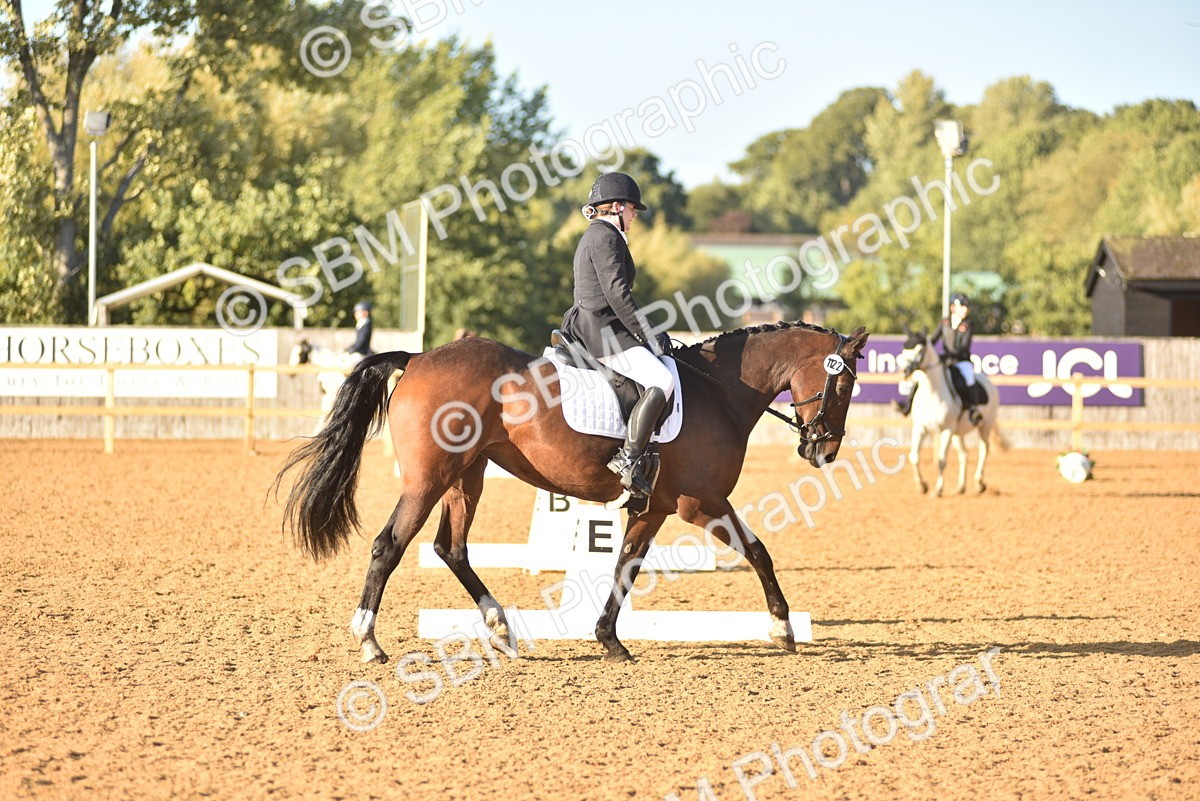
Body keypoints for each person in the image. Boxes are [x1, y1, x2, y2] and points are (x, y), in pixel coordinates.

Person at [560, 172, 674, 498]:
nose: (635, 215)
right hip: (602, 331)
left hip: (592, 324)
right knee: (662, 379)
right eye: (633, 209)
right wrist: (648, 334)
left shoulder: (596, 234)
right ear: (618, 207)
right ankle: (628, 458)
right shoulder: (606, 237)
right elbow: (618, 295)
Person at [896, 293, 981, 424]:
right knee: (921, 376)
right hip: (945, 360)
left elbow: (964, 347)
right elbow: (932, 341)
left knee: (968, 376)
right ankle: (908, 404)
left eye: (967, 306)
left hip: (961, 360)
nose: (965, 309)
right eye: (962, 306)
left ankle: (973, 409)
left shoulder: (968, 325)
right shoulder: (944, 323)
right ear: (953, 308)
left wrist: (949, 356)